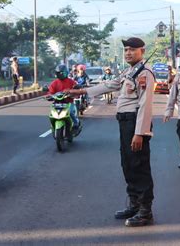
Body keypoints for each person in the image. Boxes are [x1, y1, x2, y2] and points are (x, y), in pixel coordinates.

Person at [67, 37, 155, 227]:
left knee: (139, 166)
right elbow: (109, 85)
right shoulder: (128, 72)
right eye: (126, 50)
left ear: (142, 51)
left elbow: (145, 106)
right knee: (128, 164)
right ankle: (134, 204)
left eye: (132, 49)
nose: (128, 53)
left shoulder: (145, 74)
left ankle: (145, 211)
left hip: (134, 124)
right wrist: (82, 92)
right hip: (124, 124)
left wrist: (140, 133)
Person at [47, 64, 81, 133]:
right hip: (57, 103)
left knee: (71, 112)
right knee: (51, 113)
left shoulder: (71, 81)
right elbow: (50, 92)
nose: (61, 74)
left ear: (66, 72)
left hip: (68, 102)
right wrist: (49, 96)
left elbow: (76, 89)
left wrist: (76, 91)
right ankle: (53, 125)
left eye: (63, 73)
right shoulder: (54, 83)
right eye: (59, 73)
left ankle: (76, 123)